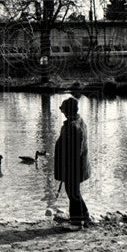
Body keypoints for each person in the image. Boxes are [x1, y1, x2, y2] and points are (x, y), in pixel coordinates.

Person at [53, 96, 91, 229]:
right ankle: (85, 215)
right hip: (77, 166)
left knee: (72, 192)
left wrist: (67, 169)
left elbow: (75, 152)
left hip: (74, 166)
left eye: (64, 111)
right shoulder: (77, 122)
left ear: (69, 111)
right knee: (74, 191)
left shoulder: (73, 127)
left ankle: (76, 221)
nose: (63, 113)